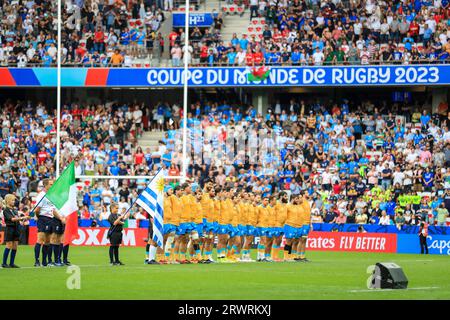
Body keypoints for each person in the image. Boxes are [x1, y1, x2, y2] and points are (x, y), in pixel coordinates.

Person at [2, 194, 30, 268]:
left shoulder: (14, 210)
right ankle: (4, 263)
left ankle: (11, 263)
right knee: (9, 245)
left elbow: (17, 219)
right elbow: (12, 219)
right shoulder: (6, 210)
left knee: (15, 246)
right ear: (8, 201)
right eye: (12, 200)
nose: (14, 201)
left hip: (16, 229)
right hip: (10, 229)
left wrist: (24, 219)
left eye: (14, 200)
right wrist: (23, 217)